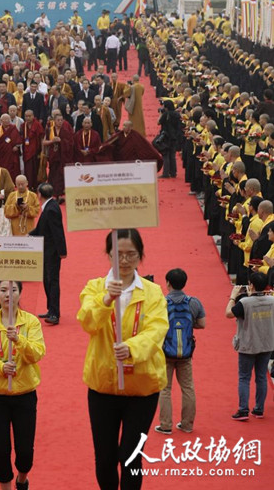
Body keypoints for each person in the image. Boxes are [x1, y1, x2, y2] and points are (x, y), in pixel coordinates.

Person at [77, 228, 169, 490]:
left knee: (130, 456)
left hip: (142, 388)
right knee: (105, 458)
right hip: (103, 386)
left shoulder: (153, 292)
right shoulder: (95, 287)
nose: (125, 260)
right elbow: (87, 321)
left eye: (132, 254)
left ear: (141, 256)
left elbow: (157, 330)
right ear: (108, 254)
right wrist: (107, 299)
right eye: (119, 254)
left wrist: (132, 348)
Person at [0, 280, 46, 490]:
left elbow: (38, 353)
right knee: (1, 449)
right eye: (3, 290)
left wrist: (19, 340)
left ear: (20, 293)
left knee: (25, 450)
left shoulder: (30, 322)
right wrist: (0, 367)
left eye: (13, 290)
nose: (8, 294)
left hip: (24, 395)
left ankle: (22, 480)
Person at [155, 268, 206, 434]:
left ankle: (165, 425)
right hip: (185, 352)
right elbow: (202, 324)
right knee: (188, 388)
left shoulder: (161, 303)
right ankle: (187, 424)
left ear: (168, 283)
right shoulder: (194, 302)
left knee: (165, 389)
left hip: (165, 352)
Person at [225, 271, 274, 420]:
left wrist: (233, 296)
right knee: (261, 377)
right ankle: (259, 409)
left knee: (244, 377)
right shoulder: (272, 300)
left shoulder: (245, 302)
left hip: (248, 344)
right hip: (266, 344)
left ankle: (243, 409)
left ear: (251, 285)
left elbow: (228, 313)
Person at [29, 182, 67, 326]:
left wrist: (62, 252)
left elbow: (58, 232)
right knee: (47, 279)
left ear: (40, 194)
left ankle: (54, 313)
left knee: (52, 281)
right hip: (46, 250)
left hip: (52, 252)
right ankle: (51, 309)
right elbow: (41, 229)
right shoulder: (49, 206)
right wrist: (28, 236)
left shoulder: (51, 209)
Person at [158, 100, 182, 179]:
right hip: (174, 136)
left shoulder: (165, 114)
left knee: (166, 155)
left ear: (166, 107)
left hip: (166, 136)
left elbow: (158, 122)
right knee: (172, 155)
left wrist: (161, 114)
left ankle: (165, 173)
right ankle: (173, 173)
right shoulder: (177, 114)